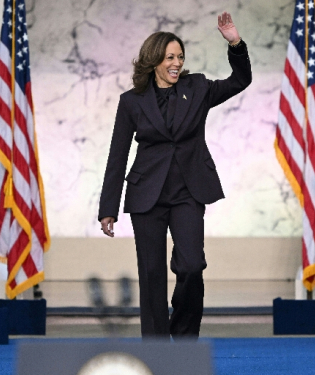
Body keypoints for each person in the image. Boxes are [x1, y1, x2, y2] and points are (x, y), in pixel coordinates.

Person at [98, 11, 251, 339]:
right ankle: (156, 347)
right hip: (146, 196)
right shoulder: (131, 102)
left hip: (188, 193)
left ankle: (183, 337)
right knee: (151, 274)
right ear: (154, 60)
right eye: (170, 57)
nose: (176, 63)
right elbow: (117, 155)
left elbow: (240, 81)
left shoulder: (197, 88)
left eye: (180, 57)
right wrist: (108, 209)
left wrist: (235, 43)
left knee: (192, 265)